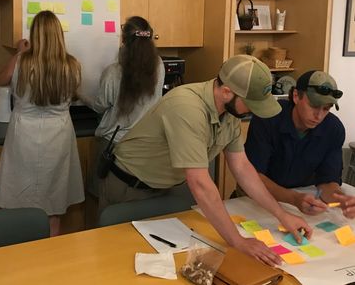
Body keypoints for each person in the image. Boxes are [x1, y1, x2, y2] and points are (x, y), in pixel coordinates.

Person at [101, 54, 312, 266]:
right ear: (227, 92)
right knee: (122, 259)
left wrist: (281, 215)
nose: (253, 111)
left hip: (167, 185)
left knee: (176, 259)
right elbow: (200, 183)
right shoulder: (187, 107)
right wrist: (238, 241)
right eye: (251, 104)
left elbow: (242, 167)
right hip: (129, 186)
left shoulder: (229, 111)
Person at [0, 10, 85, 236]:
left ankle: (21, 255)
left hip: (24, 135)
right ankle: (49, 255)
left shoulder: (22, 62)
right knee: (53, 204)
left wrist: (18, 53)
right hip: (58, 135)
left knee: (20, 198)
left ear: (35, 35)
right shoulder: (71, 65)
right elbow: (74, 94)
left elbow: (0, 79)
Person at [245, 70, 355, 219]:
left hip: (302, 201)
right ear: (296, 96)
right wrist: (293, 198)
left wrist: (342, 200)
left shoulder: (333, 129)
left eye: (326, 109)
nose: (319, 116)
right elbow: (252, 176)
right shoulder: (268, 118)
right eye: (314, 106)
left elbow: (327, 182)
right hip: (255, 199)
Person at [79, 15, 164, 198]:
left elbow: (99, 106)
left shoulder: (113, 72)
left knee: (107, 200)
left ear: (124, 40)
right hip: (146, 144)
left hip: (114, 146)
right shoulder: (159, 66)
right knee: (137, 201)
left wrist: (78, 94)